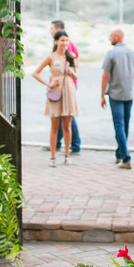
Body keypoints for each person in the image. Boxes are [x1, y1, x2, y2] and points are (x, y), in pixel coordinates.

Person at [32, 30, 79, 167]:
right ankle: (52, 157)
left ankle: (66, 156)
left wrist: (72, 72)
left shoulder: (71, 57)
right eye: (62, 40)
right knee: (55, 126)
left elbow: (76, 76)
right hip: (55, 92)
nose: (64, 43)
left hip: (69, 90)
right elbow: (35, 73)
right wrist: (49, 84)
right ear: (56, 41)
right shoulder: (51, 57)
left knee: (67, 125)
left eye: (66, 40)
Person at [101, 29, 134, 169]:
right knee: (125, 125)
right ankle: (119, 154)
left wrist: (102, 94)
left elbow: (105, 75)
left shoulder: (111, 53)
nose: (109, 38)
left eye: (111, 36)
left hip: (115, 94)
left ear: (117, 37)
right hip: (129, 94)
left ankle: (126, 157)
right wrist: (133, 88)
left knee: (119, 125)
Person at [50, 20, 81, 155]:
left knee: (68, 117)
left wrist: (71, 74)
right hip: (58, 87)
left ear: (58, 29)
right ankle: (57, 143)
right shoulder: (54, 50)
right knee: (60, 116)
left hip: (69, 86)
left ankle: (74, 144)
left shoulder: (70, 47)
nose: (50, 31)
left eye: (51, 29)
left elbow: (75, 68)